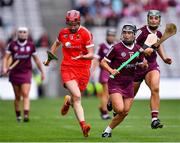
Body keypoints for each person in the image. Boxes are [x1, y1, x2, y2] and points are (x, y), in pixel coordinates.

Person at [43, 10, 94, 137]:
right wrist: (49, 59)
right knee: (77, 96)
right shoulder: (63, 33)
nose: (72, 27)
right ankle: (84, 126)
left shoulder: (86, 33)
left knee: (75, 97)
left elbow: (91, 54)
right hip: (67, 68)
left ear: (79, 22)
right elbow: (55, 45)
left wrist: (83, 57)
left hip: (83, 69)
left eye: (74, 24)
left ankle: (67, 101)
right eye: (69, 24)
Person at [101, 24, 148, 137]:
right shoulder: (116, 48)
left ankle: (108, 130)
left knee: (125, 112)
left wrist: (144, 65)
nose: (126, 35)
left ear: (133, 35)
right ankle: (111, 100)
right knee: (119, 108)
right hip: (116, 82)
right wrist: (111, 70)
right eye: (125, 33)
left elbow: (141, 63)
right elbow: (103, 62)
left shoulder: (138, 49)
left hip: (129, 83)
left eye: (129, 33)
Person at [133, 10, 172, 129]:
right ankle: (113, 101)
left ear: (159, 20)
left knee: (155, 88)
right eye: (151, 18)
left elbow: (158, 45)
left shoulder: (159, 34)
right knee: (129, 97)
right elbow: (131, 46)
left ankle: (154, 119)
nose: (153, 20)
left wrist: (164, 58)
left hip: (152, 65)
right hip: (137, 66)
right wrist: (143, 54)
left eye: (156, 18)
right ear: (148, 19)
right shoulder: (140, 32)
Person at [2, 26, 45, 122]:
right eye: (20, 32)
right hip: (15, 73)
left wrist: (42, 72)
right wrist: (4, 67)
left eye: (24, 32)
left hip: (26, 72)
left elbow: (37, 60)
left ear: (27, 34)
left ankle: (26, 115)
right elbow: (5, 58)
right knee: (17, 96)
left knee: (25, 93)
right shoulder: (12, 45)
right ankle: (18, 116)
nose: (22, 33)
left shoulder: (31, 46)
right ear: (17, 33)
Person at [92, 28, 116, 120]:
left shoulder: (116, 46)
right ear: (106, 36)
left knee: (112, 93)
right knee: (106, 93)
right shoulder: (101, 46)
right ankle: (105, 112)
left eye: (113, 35)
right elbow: (96, 59)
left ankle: (103, 108)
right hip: (105, 71)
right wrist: (93, 71)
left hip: (114, 72)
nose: (111, 37)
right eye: (109, 35)